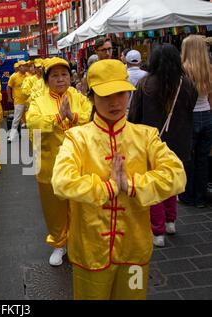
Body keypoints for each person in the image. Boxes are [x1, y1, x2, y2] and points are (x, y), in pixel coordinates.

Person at [52, 59, 186, 300]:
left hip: (134, 250)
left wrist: (132, 185)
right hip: (90, 251)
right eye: (105, 95)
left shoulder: (146, 136)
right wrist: (110, 187)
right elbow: (62, 181)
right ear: (91, 97)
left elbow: (176, 175)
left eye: (121, 93)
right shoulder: (77, 138)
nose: (115, 102)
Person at [128, 44, 198, 247]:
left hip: (151, 142)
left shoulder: (145, 84)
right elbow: (190, 108)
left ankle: (157, 231)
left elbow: (134, 115)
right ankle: (170, 221)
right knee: (171, 182)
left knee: (153, 186)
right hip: (179, 141)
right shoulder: (187, 84)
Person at [26, 57, 92, 267]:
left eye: (64, 74)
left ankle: (77, 241)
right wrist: (56, 118)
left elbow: (91, 117)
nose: (61, 79)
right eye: (54, 75)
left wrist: (72, 116)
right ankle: (58, 243)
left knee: (78, 203)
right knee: (53, 207)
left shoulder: (78, 97)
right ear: (47, 79)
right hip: (49, 163)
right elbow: (32, 124)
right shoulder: (38, 99)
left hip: (78, 162)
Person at [178, 35, 212, 209]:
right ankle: (200, 197)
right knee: (203, 159)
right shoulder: (209, 69)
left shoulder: (183, 71)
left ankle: (187, 195)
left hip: (188, 117)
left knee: (187, 157)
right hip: (206, 115)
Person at [7, 60, 28, 142]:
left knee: (29, 118)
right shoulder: (14, 77)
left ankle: (30, 135)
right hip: (19, 101)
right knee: (16, 119)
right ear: (19, 67)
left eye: (26, 65)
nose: (25, 67)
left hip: (28, 101)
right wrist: (9, 97)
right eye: (23, 66)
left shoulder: (28, 76)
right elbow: (9, 87)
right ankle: (11, 136)